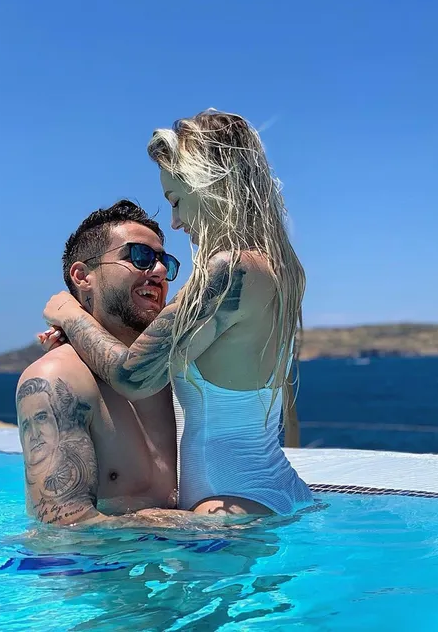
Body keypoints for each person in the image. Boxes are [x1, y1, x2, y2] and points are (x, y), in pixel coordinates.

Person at [43, 110, 313, 517]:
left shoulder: (229, 270)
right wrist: (85, 339)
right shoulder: (280, 268)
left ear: (208, 186)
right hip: (275, 490)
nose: (175, 222)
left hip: (231, 504)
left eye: (176, 201)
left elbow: (134, 376)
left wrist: (68, 313)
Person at [17, 200, 186, 527]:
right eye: (139, 256)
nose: (160, 272)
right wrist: (199, 526)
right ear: (83, 277)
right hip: (119, 561)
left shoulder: (180, 371)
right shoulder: (57, 379)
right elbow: (65, 529)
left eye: (164, 262)